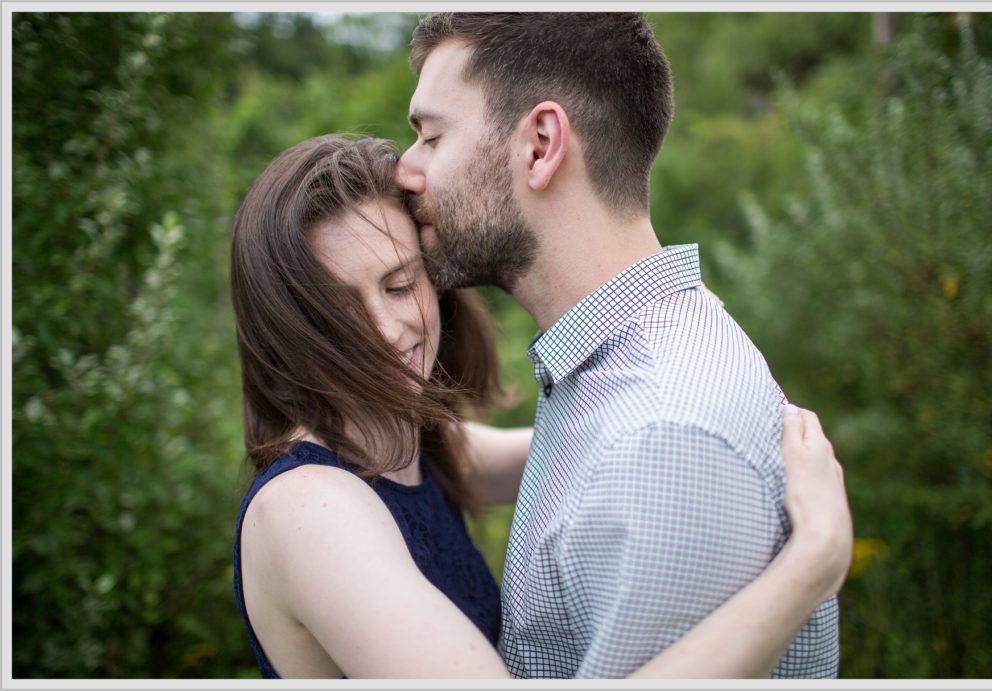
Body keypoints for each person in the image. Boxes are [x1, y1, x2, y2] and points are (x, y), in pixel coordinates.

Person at [230, 133, 851, 678]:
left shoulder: (407, 443)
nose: (388, 329)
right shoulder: (309, 510)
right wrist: (811, 566)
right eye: (338, 313)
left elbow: (603, 439)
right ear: (287, 328)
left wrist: (675, 331)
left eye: (400, 285)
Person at [393, 12, 843, 678]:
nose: (404, 170)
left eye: (430, 136)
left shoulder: (661, 437)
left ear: (541, 144)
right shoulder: (615, 363)